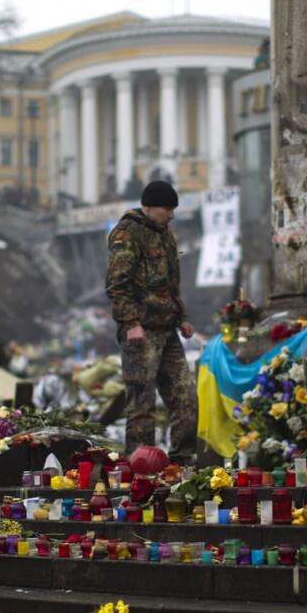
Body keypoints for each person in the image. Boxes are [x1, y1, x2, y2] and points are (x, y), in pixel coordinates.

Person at [105, 180, 197, 463]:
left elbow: (170, 283)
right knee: (142, 404)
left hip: (167, 330)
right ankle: (141, 465)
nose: (171, 215)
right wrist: (131, 323)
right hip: (141, 332)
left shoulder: (166, 235)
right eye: (166, 209)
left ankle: (183, 461)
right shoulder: (126, 235)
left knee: (186, 398)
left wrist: (181, 318)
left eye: (173, 209)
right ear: (148, 207)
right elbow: (117, 285)